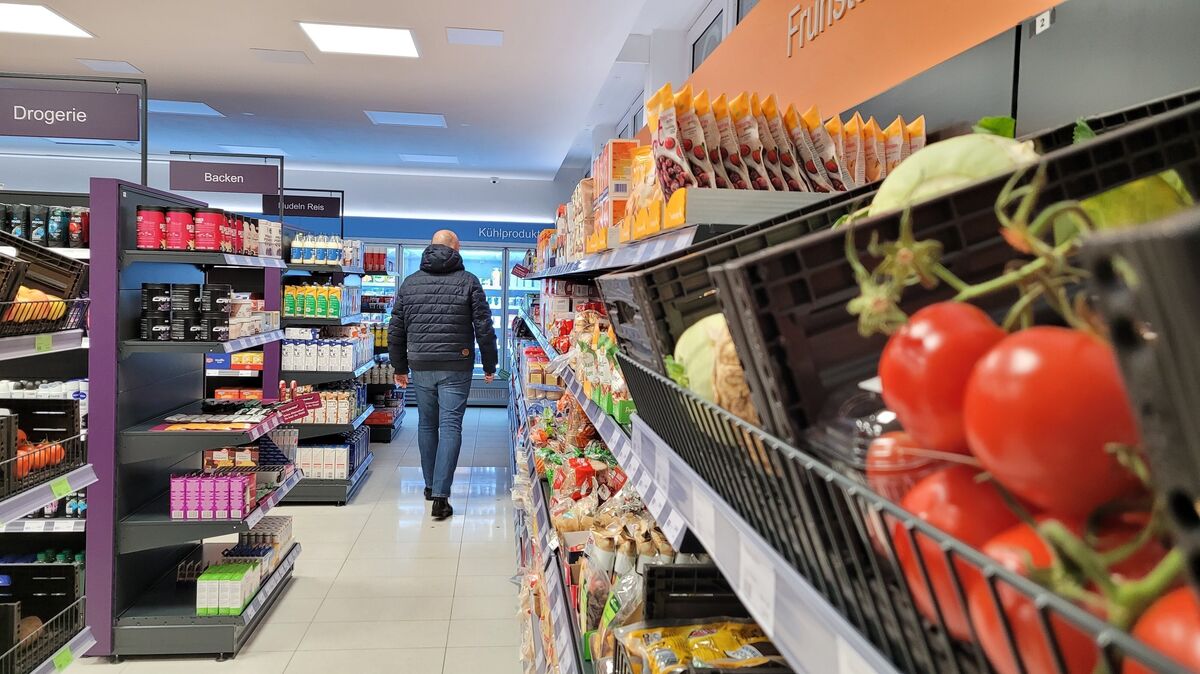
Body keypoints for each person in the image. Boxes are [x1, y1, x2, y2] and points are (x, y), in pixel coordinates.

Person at [388, 230, 498, 519]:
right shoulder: (469, 281)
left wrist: (399, 367)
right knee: (450, 426)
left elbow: (396, 329)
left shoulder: (410, 283)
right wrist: (490, 365)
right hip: (456, 364)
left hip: (420, 363)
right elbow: (484, 328)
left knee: (427, 425)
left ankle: (429, 486)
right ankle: (441, 496)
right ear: (455, 248)